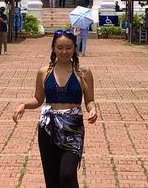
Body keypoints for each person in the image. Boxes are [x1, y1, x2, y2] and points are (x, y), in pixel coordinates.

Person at [12, 30, 98, 187]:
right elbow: (38, 99)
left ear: (74, 48)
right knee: (52, 177)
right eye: (60, 47)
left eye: (68, 47)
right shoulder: (44, 72)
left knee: (67, 174)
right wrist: (23, 105)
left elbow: (90, 100)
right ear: (53, 48)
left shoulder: (84, 72)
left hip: (73, 129)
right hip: (48, 128)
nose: (64, 52)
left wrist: (93, 109)